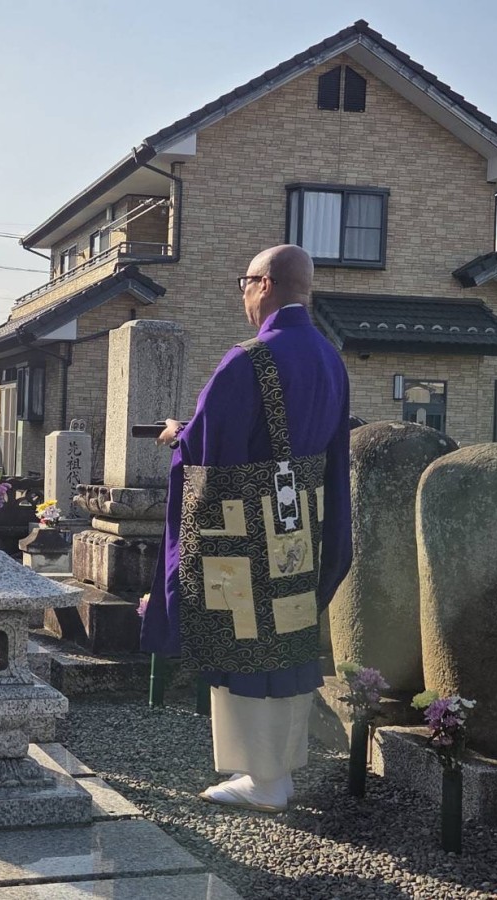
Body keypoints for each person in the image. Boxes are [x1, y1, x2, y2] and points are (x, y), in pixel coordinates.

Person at [141, 244, 352, 812]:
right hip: (300, 527)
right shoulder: (331, 358)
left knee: (245, 642)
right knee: (288, 640)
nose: (243, 295)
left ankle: (263, 779)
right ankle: (279, 771)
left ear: (264, 285)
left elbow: (210, 450)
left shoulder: (249, 359)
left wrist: (177, 437)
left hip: (246, 532)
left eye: (244, 283)